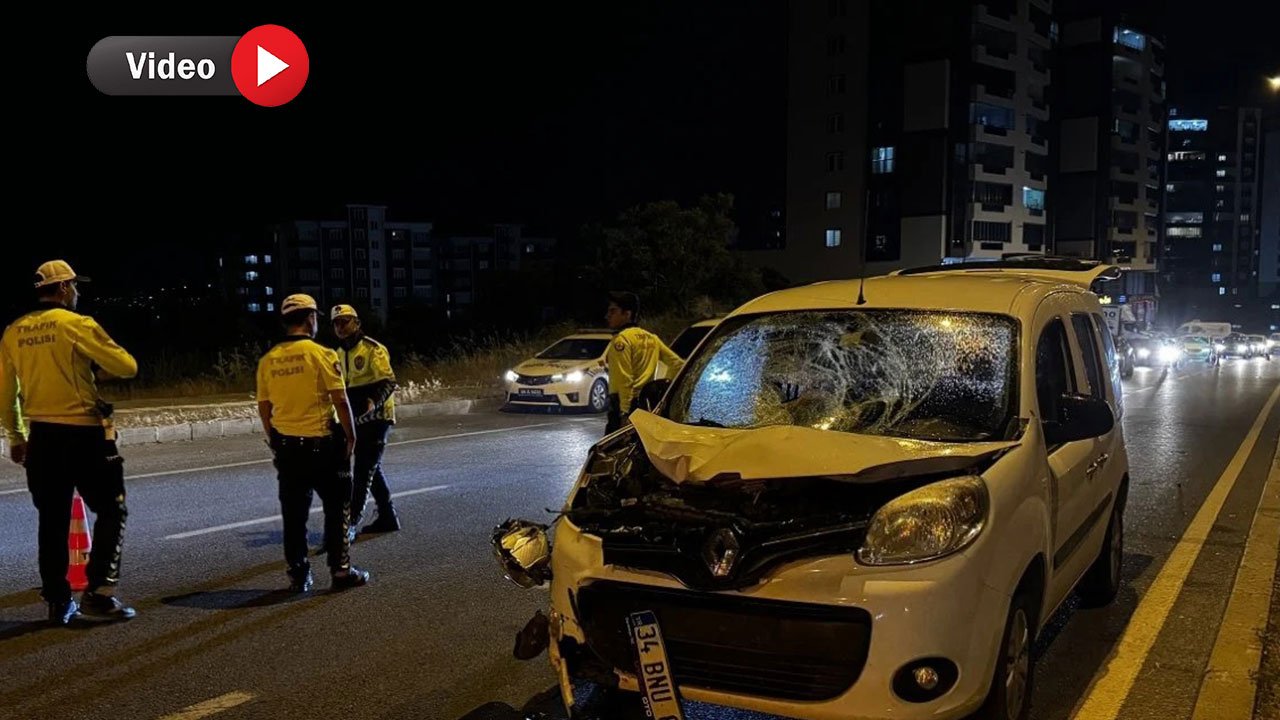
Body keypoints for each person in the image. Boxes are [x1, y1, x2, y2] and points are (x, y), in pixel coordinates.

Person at [0, 260, 138, 625]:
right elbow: (127, 366)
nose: (77, 293)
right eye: (75, 287)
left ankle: (58, 602)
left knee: (52, 520)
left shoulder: (14, 332)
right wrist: (96, 368)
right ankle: (99, 593)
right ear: (63, 288)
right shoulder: (78, 325)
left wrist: (16, 437)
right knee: (112, 510)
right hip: (84, 434)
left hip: (42, 437)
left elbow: (5, 393)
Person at [256, 294, 370, 593]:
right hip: (323, 446)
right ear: (310, 319)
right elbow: (340, 400)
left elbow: (264, 408)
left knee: (293, 516)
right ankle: (341, 571)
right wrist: (351, 435)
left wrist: (274, 439)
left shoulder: (268, 361)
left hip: (288, 448)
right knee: (337, 509)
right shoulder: (322, 354)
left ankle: (298, 574)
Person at [330, 304, 400, 541]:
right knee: (372, 467)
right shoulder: (336, 354)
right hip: (355, 418)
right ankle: (388, 517)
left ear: (357, 323)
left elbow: (389, 382)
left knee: (362, 469)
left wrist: (373, 402)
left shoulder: (373, 349)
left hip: (377, 417)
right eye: (337, 323)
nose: (341, 326)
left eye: (345, 321)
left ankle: (350, 523)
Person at [603, 291, 685, 434]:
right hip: (646, 403)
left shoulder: (621, 341)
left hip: (624, 405)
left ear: (627, 314)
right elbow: (677, 364)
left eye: (613, 311)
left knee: (611, 451)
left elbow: (625, 379)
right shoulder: (651, 338)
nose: (607, 315)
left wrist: (624, 413)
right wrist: (665, 388)